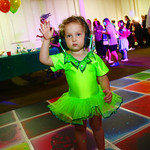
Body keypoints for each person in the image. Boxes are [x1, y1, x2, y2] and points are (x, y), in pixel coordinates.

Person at [39, 15, 122, 150]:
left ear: (86, 36)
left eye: (78, 34)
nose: (74, 39)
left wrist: (106, 89)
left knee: (97, 127)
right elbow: (44, 59)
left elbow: (102, 77)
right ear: (64, 39)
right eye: (69, 36)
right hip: (76, 102)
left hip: (94, 99)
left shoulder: (93, 58)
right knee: (79, 130)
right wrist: (46, 40)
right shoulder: (64, 58)